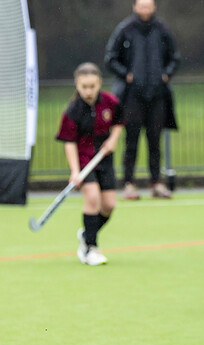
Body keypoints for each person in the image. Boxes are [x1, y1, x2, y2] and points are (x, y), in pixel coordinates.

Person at [104, 0, 180, 200]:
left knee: (155, 141)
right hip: (132, 97)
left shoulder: (162, 29)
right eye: (142, 5)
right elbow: (111, 58)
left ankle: (156, 183)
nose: (145, 10)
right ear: (135, 7)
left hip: (157, 95)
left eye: (148, 6)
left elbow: (175, 57)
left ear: (154, 7)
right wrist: (126, 74)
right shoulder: (125, 29)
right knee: (132, 141)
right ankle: (128, 183)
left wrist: (166, 74)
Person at [55, 63, 124, 266]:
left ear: (99, 83)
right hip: (84, 160)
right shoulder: (72, 111)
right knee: (92, 198)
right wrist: (75, 171)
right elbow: (69, 143)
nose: (88, 91)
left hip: (104, 159)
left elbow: (119, 121)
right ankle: (90, 248)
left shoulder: (110, 102)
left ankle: (86, 234)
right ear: (77, 85)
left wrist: (113, 139)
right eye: (84, 86)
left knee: (109, 205)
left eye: (92, 86)